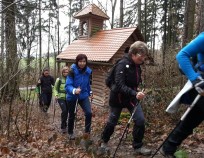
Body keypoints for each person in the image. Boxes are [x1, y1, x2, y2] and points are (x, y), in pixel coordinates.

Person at [100, 41, 151, 156]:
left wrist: (139, 90)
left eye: (144, 56)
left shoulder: (137, 66)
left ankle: (138, 146)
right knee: (112, 122)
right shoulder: (122, 64)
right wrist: (135, 93)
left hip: (131, 98)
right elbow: (119, 84)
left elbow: (136, 82)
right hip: (117, 98)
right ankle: (104, 142)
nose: (143, 58)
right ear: (133, 53)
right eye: (141, 56)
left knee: (140, 120)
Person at [161, 32, 204, 158]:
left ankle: (168, 147)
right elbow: (182, 55)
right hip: (201, 85)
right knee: (192, 118)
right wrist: (195, 79)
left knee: (192, 119)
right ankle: (168, 147)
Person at [65, 54, 93, 140]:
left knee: (89, 113)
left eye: (84, 61)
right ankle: (70, 132)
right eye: (80, 61)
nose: (82, 63)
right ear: (77, 62)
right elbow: (67, 85)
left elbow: (88, 84)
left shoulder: (88, 72)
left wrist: (90, 92)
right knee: (72, 115)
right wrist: (74, 90)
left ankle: (87, 132)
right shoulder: (72, 71)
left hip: (83, 95)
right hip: (72, 97)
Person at [53, 66, 69, 134]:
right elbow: (55, 89)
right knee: (64, 111)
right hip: (60, 97)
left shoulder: (70, 79)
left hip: (68, 98)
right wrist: (56, 95)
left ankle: (65, 124)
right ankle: (63, 127)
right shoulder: (58, 79)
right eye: (64, 72)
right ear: (62, 72)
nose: (66, 73)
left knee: (67, 112)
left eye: (67, 72)